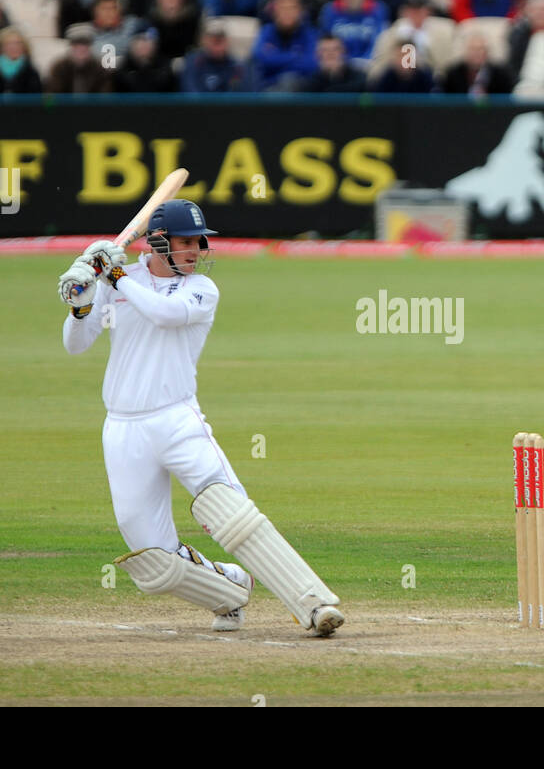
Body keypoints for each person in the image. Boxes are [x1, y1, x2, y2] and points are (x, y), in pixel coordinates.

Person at [56, 203, 346, 636]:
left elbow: (164, 314)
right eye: (186, 241)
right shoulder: (121, 283)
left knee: (231, 514)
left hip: (178, 421)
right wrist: (81, 303)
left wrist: (111, 277)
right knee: (152, 558)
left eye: (198, 241)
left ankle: (314, 604)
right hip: (122, 428)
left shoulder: (201, 289)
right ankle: (229, 591)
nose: (195, 250)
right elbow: (75, 345)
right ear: (157, 242)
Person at [179, 18, 253, 92]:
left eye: (220, 41)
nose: (217, 46)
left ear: (227, 41)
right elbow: (190, 92)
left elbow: (242, 94)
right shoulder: (193, 62)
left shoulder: (237, 66)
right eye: (212, 41)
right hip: (200, 103)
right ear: (204, 41)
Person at [0, 26, 42, 93]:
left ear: (24, 47)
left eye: (17, 43)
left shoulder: (31, 71)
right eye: (8, 44)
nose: (13, 47)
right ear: (0, 47)